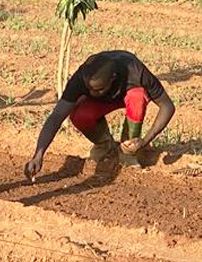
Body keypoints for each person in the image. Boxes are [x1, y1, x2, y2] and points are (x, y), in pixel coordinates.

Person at [23, 51, 176, 180]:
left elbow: (167, 107)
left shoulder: (136, 71)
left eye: (99, 90)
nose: (92, 93)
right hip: (100, 105)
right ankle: (104, 145)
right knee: (78, 113)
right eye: (89, 89)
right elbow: (56, 116)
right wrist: (39, 153)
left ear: (113, 78)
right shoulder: (82, 78)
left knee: (138, 96)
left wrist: (144, 141)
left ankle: (128, 151)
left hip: (128, 97)